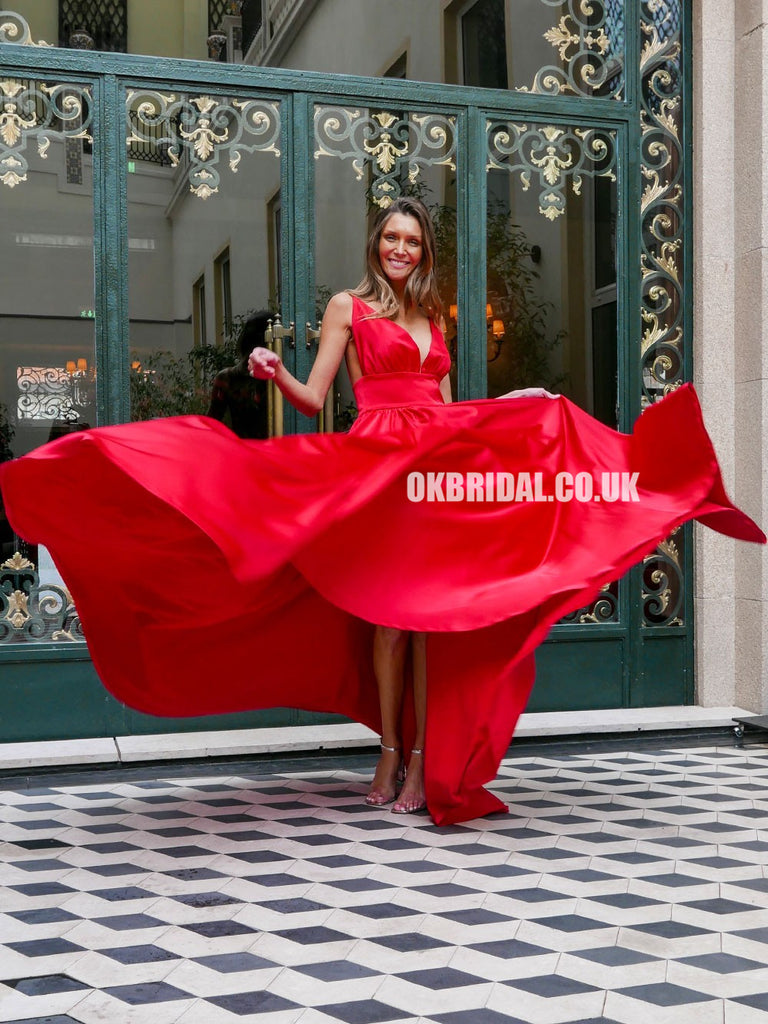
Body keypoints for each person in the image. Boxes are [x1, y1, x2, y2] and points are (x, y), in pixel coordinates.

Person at [0, 198, 763, 826]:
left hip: (436, 474)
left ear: (424, 251)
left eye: (413, 240)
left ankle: (427, 763)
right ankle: (392, 751)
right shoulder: (348, 307)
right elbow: (314, 395)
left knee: (434, 620)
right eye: (392, 238)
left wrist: (518, 415)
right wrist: (274, 372)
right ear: (377, 244)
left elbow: (452, 408)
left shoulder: (437, 315)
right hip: (378, 469)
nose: (401, 248)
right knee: (391, 625)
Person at [207, 311, 271, 440]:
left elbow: (211, 424)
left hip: (242, 451)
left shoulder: (226, 378)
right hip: (275, 452)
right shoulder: (278, 378)